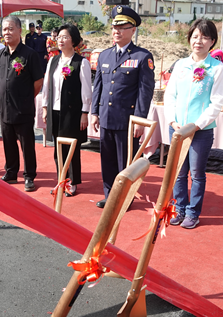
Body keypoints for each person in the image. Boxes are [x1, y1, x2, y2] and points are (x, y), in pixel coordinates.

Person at [164, 19, 223, 229]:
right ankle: (179, 208)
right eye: (195, 36)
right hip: (178, 130)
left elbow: (216, 103)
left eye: (204, 37)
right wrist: (172, 121)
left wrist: (197, 125)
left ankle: (193, 212)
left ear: (212, 41)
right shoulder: (180, 65)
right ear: (189, 38)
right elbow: (170, 95)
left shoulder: (217, 68)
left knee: (197, 174)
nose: (198, 41)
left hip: (201, 131)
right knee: (178, 172)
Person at [91, 6, 155, 208]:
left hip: (127, 120)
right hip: (106, 117)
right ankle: (110, 196)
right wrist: (94, 112)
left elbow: (145, 92)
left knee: (125, 163)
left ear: (133, 30)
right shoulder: (104, 56)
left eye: (122, 27)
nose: (116, 31)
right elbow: (98, 86)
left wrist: (140, 120)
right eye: (114, 27)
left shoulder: (142, 57)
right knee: (107, 160)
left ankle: (124, 199)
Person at [0, 16, 43, 192]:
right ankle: (11, 172)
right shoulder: (0, 54)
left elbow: (38, 82)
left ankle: (29, 176)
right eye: (4, 29)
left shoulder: (30, 54)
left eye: (11, 29)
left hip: (23, 110)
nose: (7, 32)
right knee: (8, 143)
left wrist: (26, 97)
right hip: (5, 109)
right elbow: (0, 78)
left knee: (27, 145)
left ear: (19, 30)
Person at [42, 24, 91, 196]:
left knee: (72, 148)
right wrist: (45, 106)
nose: (60, 40)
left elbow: (86, 89)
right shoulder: (53, 61)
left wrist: (85, 112)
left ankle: (72, 181)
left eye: (65, 37)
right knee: (58, 148)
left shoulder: (81, 62)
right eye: (59, 37)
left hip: (72, 112)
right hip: (55, 110)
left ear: (74, 40)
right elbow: (47, 86)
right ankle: (60, 179)